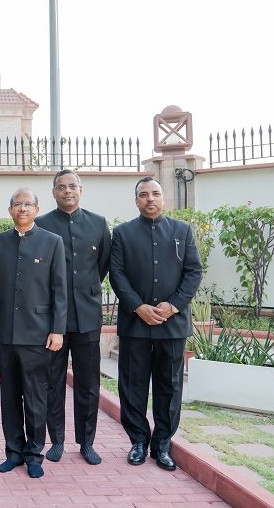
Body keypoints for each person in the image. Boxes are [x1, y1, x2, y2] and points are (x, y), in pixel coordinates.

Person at [109, 177, 202, 471]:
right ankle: (138, 441)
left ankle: (162, 445)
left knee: (170, 387)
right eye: (144, 194)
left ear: (163, 199)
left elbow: (193, 272)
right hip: (135, 323)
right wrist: (138, 306)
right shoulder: (122, 233)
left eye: (156, 194)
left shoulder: (182, 231)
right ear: (136, 200)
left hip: (171, 324)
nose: (150, 199)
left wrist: (172, 305)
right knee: (132, 385)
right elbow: (117, 274)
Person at [0, 187, 67, 479]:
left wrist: (58, 330)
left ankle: (34, 454)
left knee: (35, 397)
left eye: (28, 204)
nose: (22, 208)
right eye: (17, 204)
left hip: (38, 334)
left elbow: (60, 291)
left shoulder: (52, 242)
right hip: (5, 333)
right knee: (9, 396)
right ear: (10, 210)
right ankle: (14, 452)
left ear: (36, 209)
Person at [36, 170, 111, 465]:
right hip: (53, 321)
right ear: (53, 192)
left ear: (81, 189)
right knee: (53, 381)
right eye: (61, 187)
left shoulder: (98, 224)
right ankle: (56, 441)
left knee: (88, 383)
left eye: (73, 186)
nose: (68, 191)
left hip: (88, 317)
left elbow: (102, 266)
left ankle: (87, 442)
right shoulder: (42, 225)